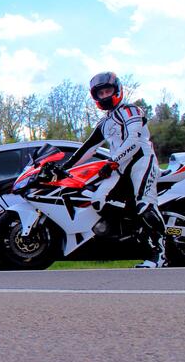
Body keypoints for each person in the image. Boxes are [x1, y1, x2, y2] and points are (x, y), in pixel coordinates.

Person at [59, 72, 165, 268]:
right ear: (96, 97)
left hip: (142, 160)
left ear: (117, 90)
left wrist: (112, 161)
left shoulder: (131, 111)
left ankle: (160, 252)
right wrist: (63, 168)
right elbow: (88, 149)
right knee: (98, 200)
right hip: (119, 166)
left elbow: (133, 140)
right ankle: (130, 236)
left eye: (108, 90)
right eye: (101, 93)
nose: (105, 95)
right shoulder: (104, 123)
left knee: (144, 205)